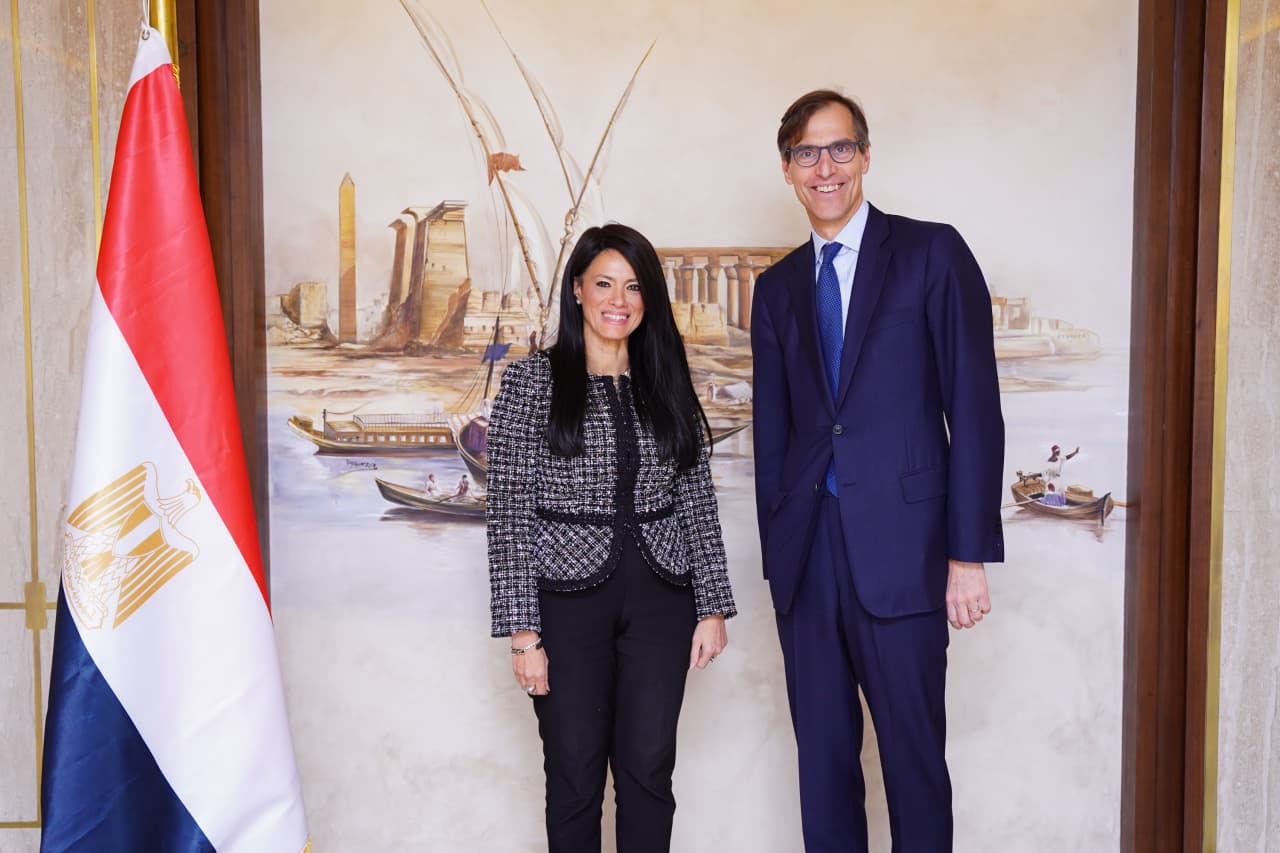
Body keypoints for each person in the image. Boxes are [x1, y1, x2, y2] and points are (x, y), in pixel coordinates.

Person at [750, 89, 1005, 851]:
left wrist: (966, 555)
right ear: (788, 168)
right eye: (806, 153)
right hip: (809, 559)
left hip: (908, 553)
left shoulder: (932, 253)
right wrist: (779, 560)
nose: (824, 167)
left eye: (839, 148)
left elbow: (975, 408)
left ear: (864, 155)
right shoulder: (777, 288)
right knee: (824, 771)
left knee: (914, 766)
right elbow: (773, 435)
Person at [487, 223, 736, 853]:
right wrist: (523, 635)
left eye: (633, 286)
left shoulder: (665, 378)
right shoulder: (530, 382)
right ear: (577, 290)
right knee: (574, 778)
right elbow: (509, 514)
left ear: (648, 297)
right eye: (603, 284)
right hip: (565, 605)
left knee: (649, 773)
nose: (617, 300)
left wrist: (712, 606)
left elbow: (696, 497)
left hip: (662, 598)